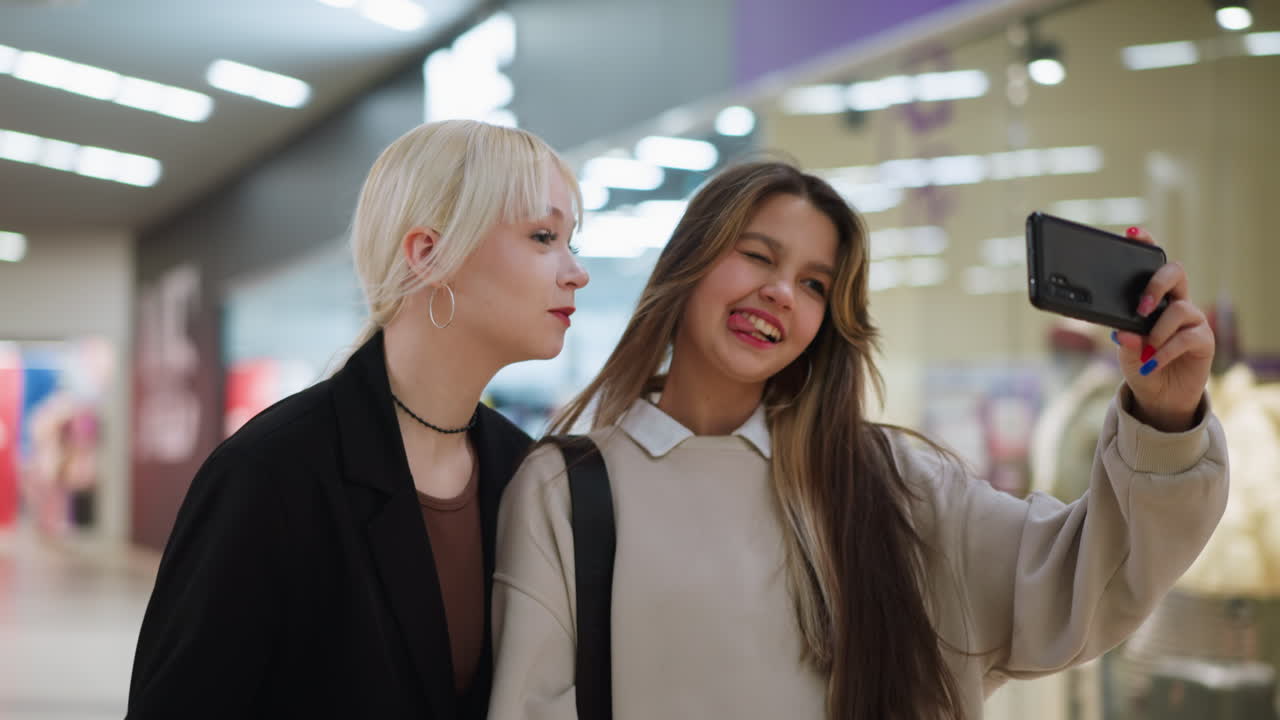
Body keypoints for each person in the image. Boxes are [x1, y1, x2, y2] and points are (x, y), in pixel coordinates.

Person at [487, 161, 1228, 720]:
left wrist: (1164, 418)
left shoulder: (895, 484)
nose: (782, 292)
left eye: (815, 284)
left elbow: (1083, 581)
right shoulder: (566, 490)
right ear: (689, 262)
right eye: (757, 255)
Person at [127, 119, 589, 719]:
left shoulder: (523, 471)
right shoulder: (272, 473)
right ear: (429, 254)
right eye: (544, 236)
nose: (576, 271)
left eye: (571, 240)